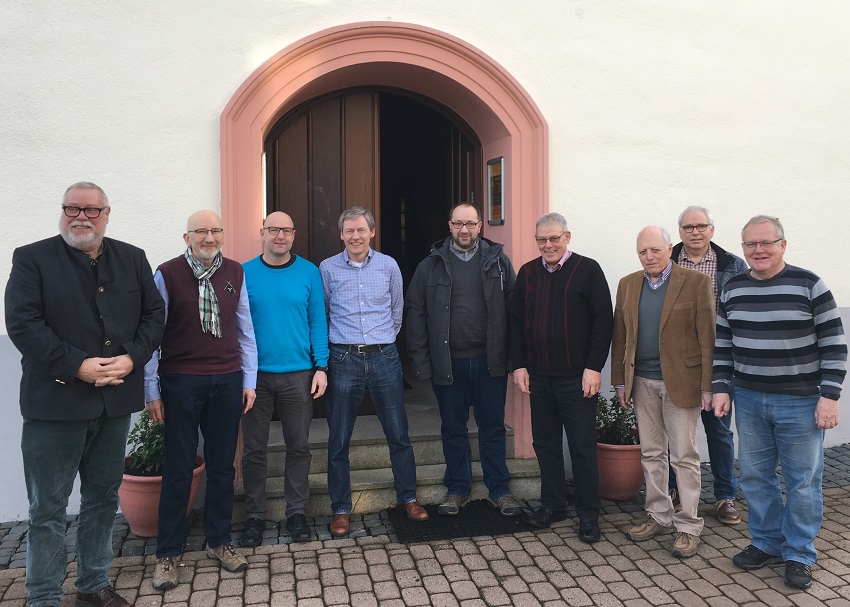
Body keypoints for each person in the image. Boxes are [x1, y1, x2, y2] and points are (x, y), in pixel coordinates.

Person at [5, 181, 164, 607]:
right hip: (54, 406)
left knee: (102, 499)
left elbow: (154, 314)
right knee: (48, 510)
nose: (81, 216)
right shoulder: (32, 258)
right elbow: (23, 324)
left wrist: (133, 357)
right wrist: (77, 364)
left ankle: (93, 585)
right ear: (62, 211)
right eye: (72, 208)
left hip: (114, 402)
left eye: (91, 210)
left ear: (107, 214)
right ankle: (43, 597)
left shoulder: (131, 258)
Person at [712, 215, 846, 589]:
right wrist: (721, 387)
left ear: (782, 245)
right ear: (743, 249)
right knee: (755, 476)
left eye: (766, 243)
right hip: (750, 400)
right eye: (750, 244)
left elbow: (835, 346)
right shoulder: (732, 288)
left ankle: (799, 553)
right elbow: (723, 345)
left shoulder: (809, 285)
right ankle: (767, 541)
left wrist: (829, 397)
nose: (758, 250)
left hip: (801, 403)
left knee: (803, 481)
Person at [145, 210, 258, 590]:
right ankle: (168, 554)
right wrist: (151, 389)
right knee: (178, 467)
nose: (209, 237)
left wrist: (249, 379)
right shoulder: (167, 273)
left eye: (215, 230)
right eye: (201, 231)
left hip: (227, 379)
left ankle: (219, 541)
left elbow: (245, 328)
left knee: (223, 466)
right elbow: (152, 334)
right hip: (180, 382)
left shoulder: (235, 272)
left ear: (222, 234)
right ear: (186, 236)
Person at [406, 203, 522, 517]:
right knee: (453, 428)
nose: (464, 230)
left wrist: (515, 359)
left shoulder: (498, 262)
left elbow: (514, 312)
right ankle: (457, 488)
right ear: (449, 225)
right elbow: (415, 314)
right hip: (449, 364)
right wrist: (421, 363)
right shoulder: (430, 266)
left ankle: (500, 489)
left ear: (480, 225)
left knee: (492, 428)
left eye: (470, 224)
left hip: (489, 362)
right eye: (458, 224)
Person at [320, 206, 427, 537]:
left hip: (384, 357)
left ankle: (408, 497)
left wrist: (382, 340)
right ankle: (340, 509)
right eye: (349, 231)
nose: (355, 236)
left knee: (398, 432)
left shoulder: (388, 266)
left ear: (372, 232)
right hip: (343, 358)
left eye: (361, 230)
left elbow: (397, 310)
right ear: (341, 235)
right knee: (339, 438)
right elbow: (322, 313)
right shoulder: (326, 269)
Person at [611, 226, 714, 559]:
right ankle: (658, 514)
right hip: (641, 381)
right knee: (651, 452)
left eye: (655, 250)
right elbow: (620, 336)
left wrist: (707, 385)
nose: (649, 257)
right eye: (643, 251)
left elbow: (707, 337)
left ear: (670, 248)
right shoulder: (627, 284)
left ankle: (688, 526)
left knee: (684, 456)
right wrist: (620, 382)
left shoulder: (695, 282)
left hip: (681, 382)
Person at [509, 213, 613, 542]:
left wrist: (594, 367)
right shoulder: (527, 274)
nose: (548, 245)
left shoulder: (588, 270)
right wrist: (519, 365)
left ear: (567, 237)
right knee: (546, 444)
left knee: (582, 448)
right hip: (539, 377)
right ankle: (552, 505)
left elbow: (603, 322)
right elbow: (515, 323)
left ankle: (588, 514)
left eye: (554, 238)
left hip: (577, 379)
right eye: (542, 239)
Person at [241, 212, 328, 545]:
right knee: (253, 450)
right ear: (261, 232)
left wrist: (321, 366)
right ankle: (254, 517)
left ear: (294, 235)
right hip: (255, 377)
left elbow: (318, 321)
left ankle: (296, 514)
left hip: (298, 375)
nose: (280, 235)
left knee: (299, 447)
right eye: (273, 229)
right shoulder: (244, 272)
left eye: (286, 230)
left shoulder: (309, 272)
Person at [667, 205, 748, 525]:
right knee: (676, 433)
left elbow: (743, 314)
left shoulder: (733, 266)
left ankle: (726, 496)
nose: (695, 232)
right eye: (688, 227)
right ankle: (674, 491)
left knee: (719, 432)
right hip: (676, 362)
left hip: (719, 362)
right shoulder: (666, 261)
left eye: (701, 226)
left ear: (712, 230)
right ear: (680, 232)